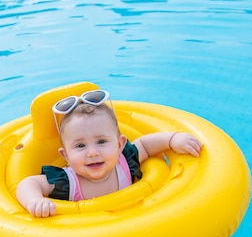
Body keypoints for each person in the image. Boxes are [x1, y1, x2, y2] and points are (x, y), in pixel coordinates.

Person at [16, 89, 203, 217]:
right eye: (80, 146)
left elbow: (145, 145)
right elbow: (28, 183)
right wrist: (34, 200)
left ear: (120, 144)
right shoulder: (66, 182)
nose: (92, 152)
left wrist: (172, 140)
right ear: (65, 156)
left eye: (102, 141)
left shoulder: (125, 163)